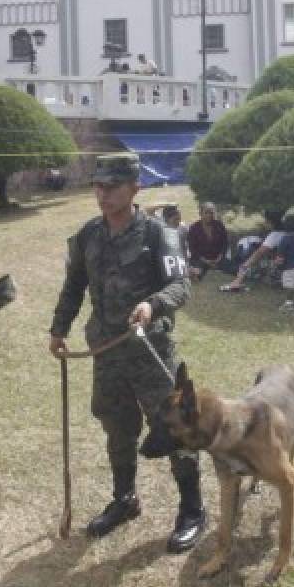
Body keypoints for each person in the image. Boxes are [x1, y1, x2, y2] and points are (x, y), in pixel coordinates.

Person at [48, 153, 205, 553]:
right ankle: (125, 499)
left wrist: (152, 305)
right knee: (116, 425)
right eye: (98, 186)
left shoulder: (158, 234)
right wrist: (58, 329)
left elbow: (181, 286)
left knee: (174, 427)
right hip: (106, 349)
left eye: (112, 187)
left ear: (135, 188)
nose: (103, 194)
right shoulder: (88, 235)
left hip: (151, 349)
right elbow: (74, 285)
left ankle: (192, 510)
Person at [186, 202, 228, 280]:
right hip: (200, 259)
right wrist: (205, 261)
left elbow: (225, 243)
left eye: (211, 213)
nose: (209, 215)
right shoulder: (194, 228)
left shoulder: (219, 225)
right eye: (206, 213)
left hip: (217, 259)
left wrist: (219, 257)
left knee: (232, 267)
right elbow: (192, 249)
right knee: (197, 271)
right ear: (201, 213)